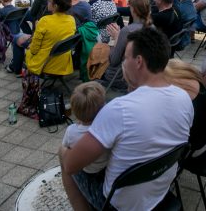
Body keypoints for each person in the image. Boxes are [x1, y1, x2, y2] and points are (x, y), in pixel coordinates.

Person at [59, 27, 194, 211]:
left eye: (125, 58)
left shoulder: (119, 109)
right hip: (158, 191)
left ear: (138, 62)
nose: (123, 62)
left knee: (64, 152)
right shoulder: (183, 98)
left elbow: (71, 165)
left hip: (119, 206)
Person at [25, 0, 76, 76]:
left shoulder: (45, 21)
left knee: (18, 40)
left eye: (49, 1)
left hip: (46, 63)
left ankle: (15, 68)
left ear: (55, 6)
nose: (47, 3)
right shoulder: (71, 20)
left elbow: (34, 50)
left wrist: (37, 28)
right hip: (63, 64)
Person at [62, 82, 109, 173]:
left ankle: (71, 186)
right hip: (106, 169)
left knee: (62, 150)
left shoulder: (71, 131)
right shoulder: (108, 127)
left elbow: (67, 146)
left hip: (86, 171)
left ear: (74, 112)